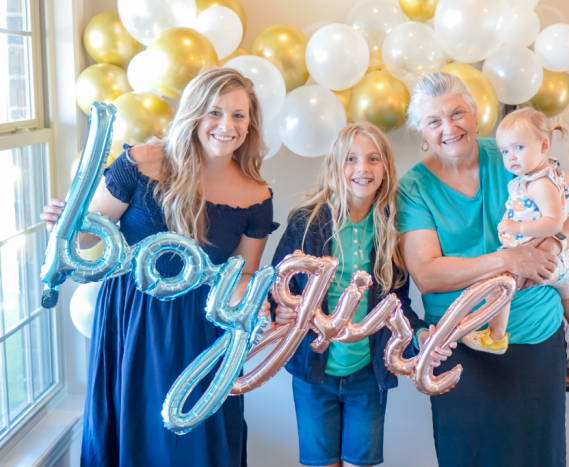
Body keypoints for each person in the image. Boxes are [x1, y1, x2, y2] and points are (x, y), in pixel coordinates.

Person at [41, 68, 278, 466]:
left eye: (239, 115)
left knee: (195, 444)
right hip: (132, 317)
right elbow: (84, 240)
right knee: (134, 431)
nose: (227, 125)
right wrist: (64, 225)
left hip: (201, 330)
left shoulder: (256, 195)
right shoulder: (140, 162)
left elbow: (244, 275)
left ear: (250, 122)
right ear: (194, 114)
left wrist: (259, 304)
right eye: (215, 112)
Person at [397, 72, 569, 466]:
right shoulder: (413, 187)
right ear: (420, 129)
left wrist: (554, 243)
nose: (449, 128)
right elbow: (428, 274)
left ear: (476, 113)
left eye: (457, 113)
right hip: (461, 344)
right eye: (434, 121)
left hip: (535, 337)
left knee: (539, 457)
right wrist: (506, 260)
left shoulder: (512, 153)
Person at [270, 122, 442, 467]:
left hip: (368, 374)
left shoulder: (393, 229)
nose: (362, 168)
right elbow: (278, 285)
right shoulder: (308, 221)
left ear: (385, 170)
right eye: (351, 159)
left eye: (373, 159)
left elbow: (398, 305)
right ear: (336, 165)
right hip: (312, 372)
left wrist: (420, 334)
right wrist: (278, 311)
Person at [461, 107, 569, 370]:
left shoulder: (537, 183)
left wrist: (516, 226)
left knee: (500, 286)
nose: (510, 157)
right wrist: (564, 186)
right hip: (562, 260)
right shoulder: (553, 174)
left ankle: (496, 337)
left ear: (544, 144)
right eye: (505, 151)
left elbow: (554, 222)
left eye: (518, 148)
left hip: (538, 258)